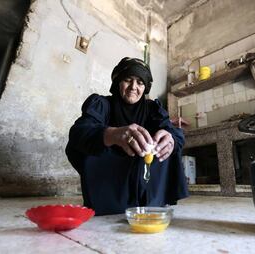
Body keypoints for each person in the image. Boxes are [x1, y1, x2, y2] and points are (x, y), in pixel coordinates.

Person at [66, 57, 189, 215]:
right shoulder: (102, 104)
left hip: (147, 180)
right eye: (128, 80)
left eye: (140, 82)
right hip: (111, 179)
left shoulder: (152, 109)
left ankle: (152, 200)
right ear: (118, 82)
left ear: (145, 88)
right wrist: (113, 134)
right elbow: (79, 132)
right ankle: (111, 202)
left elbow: (170, 130)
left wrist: (170, 138)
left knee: (170, 140)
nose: (133, 87)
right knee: (85, 142)